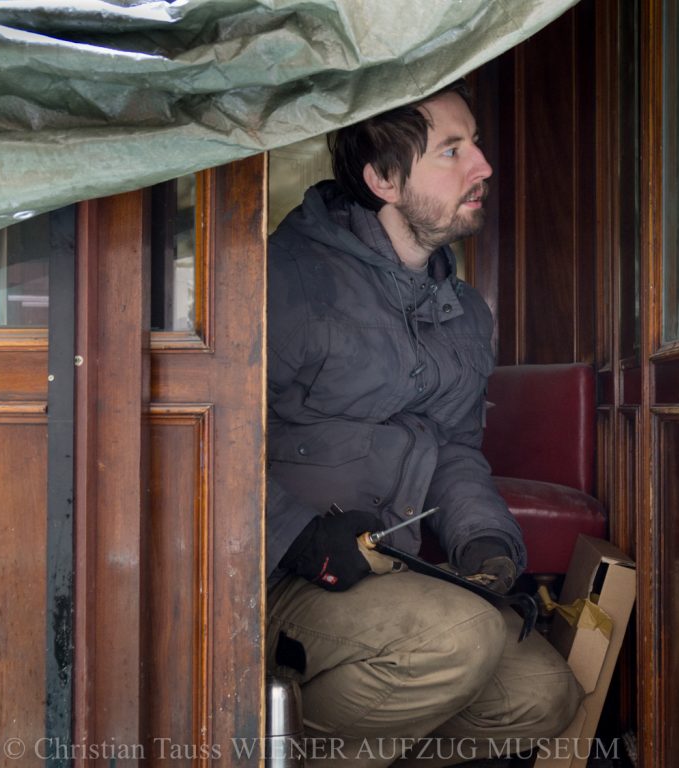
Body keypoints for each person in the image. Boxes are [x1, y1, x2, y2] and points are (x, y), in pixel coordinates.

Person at [264, 80, 583, 768]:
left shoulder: (465, 312)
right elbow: (203, 443)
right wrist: (297, 536)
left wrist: (486, 542)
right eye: (452, 151)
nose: (484, 167)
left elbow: (455, 448)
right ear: (383, 178)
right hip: (270, 579)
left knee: (543, 693)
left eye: (476, 144)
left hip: (386, 572)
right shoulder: (279, 278)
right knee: (458, 638)